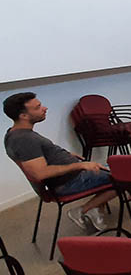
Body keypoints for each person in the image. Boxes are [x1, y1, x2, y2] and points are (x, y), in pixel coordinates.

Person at [3, 92, 116, 231]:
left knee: (118, 167)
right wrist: (80, 165)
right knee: (125, 176)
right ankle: (83, 210)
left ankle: (96, 210)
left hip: (72, 176)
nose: (44, 108)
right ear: (24, 116)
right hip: (70, 182)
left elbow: (40, 156)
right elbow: (40, 173)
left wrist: (67, 155)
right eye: (38, 107)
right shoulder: (24, 140)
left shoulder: (15, 133)